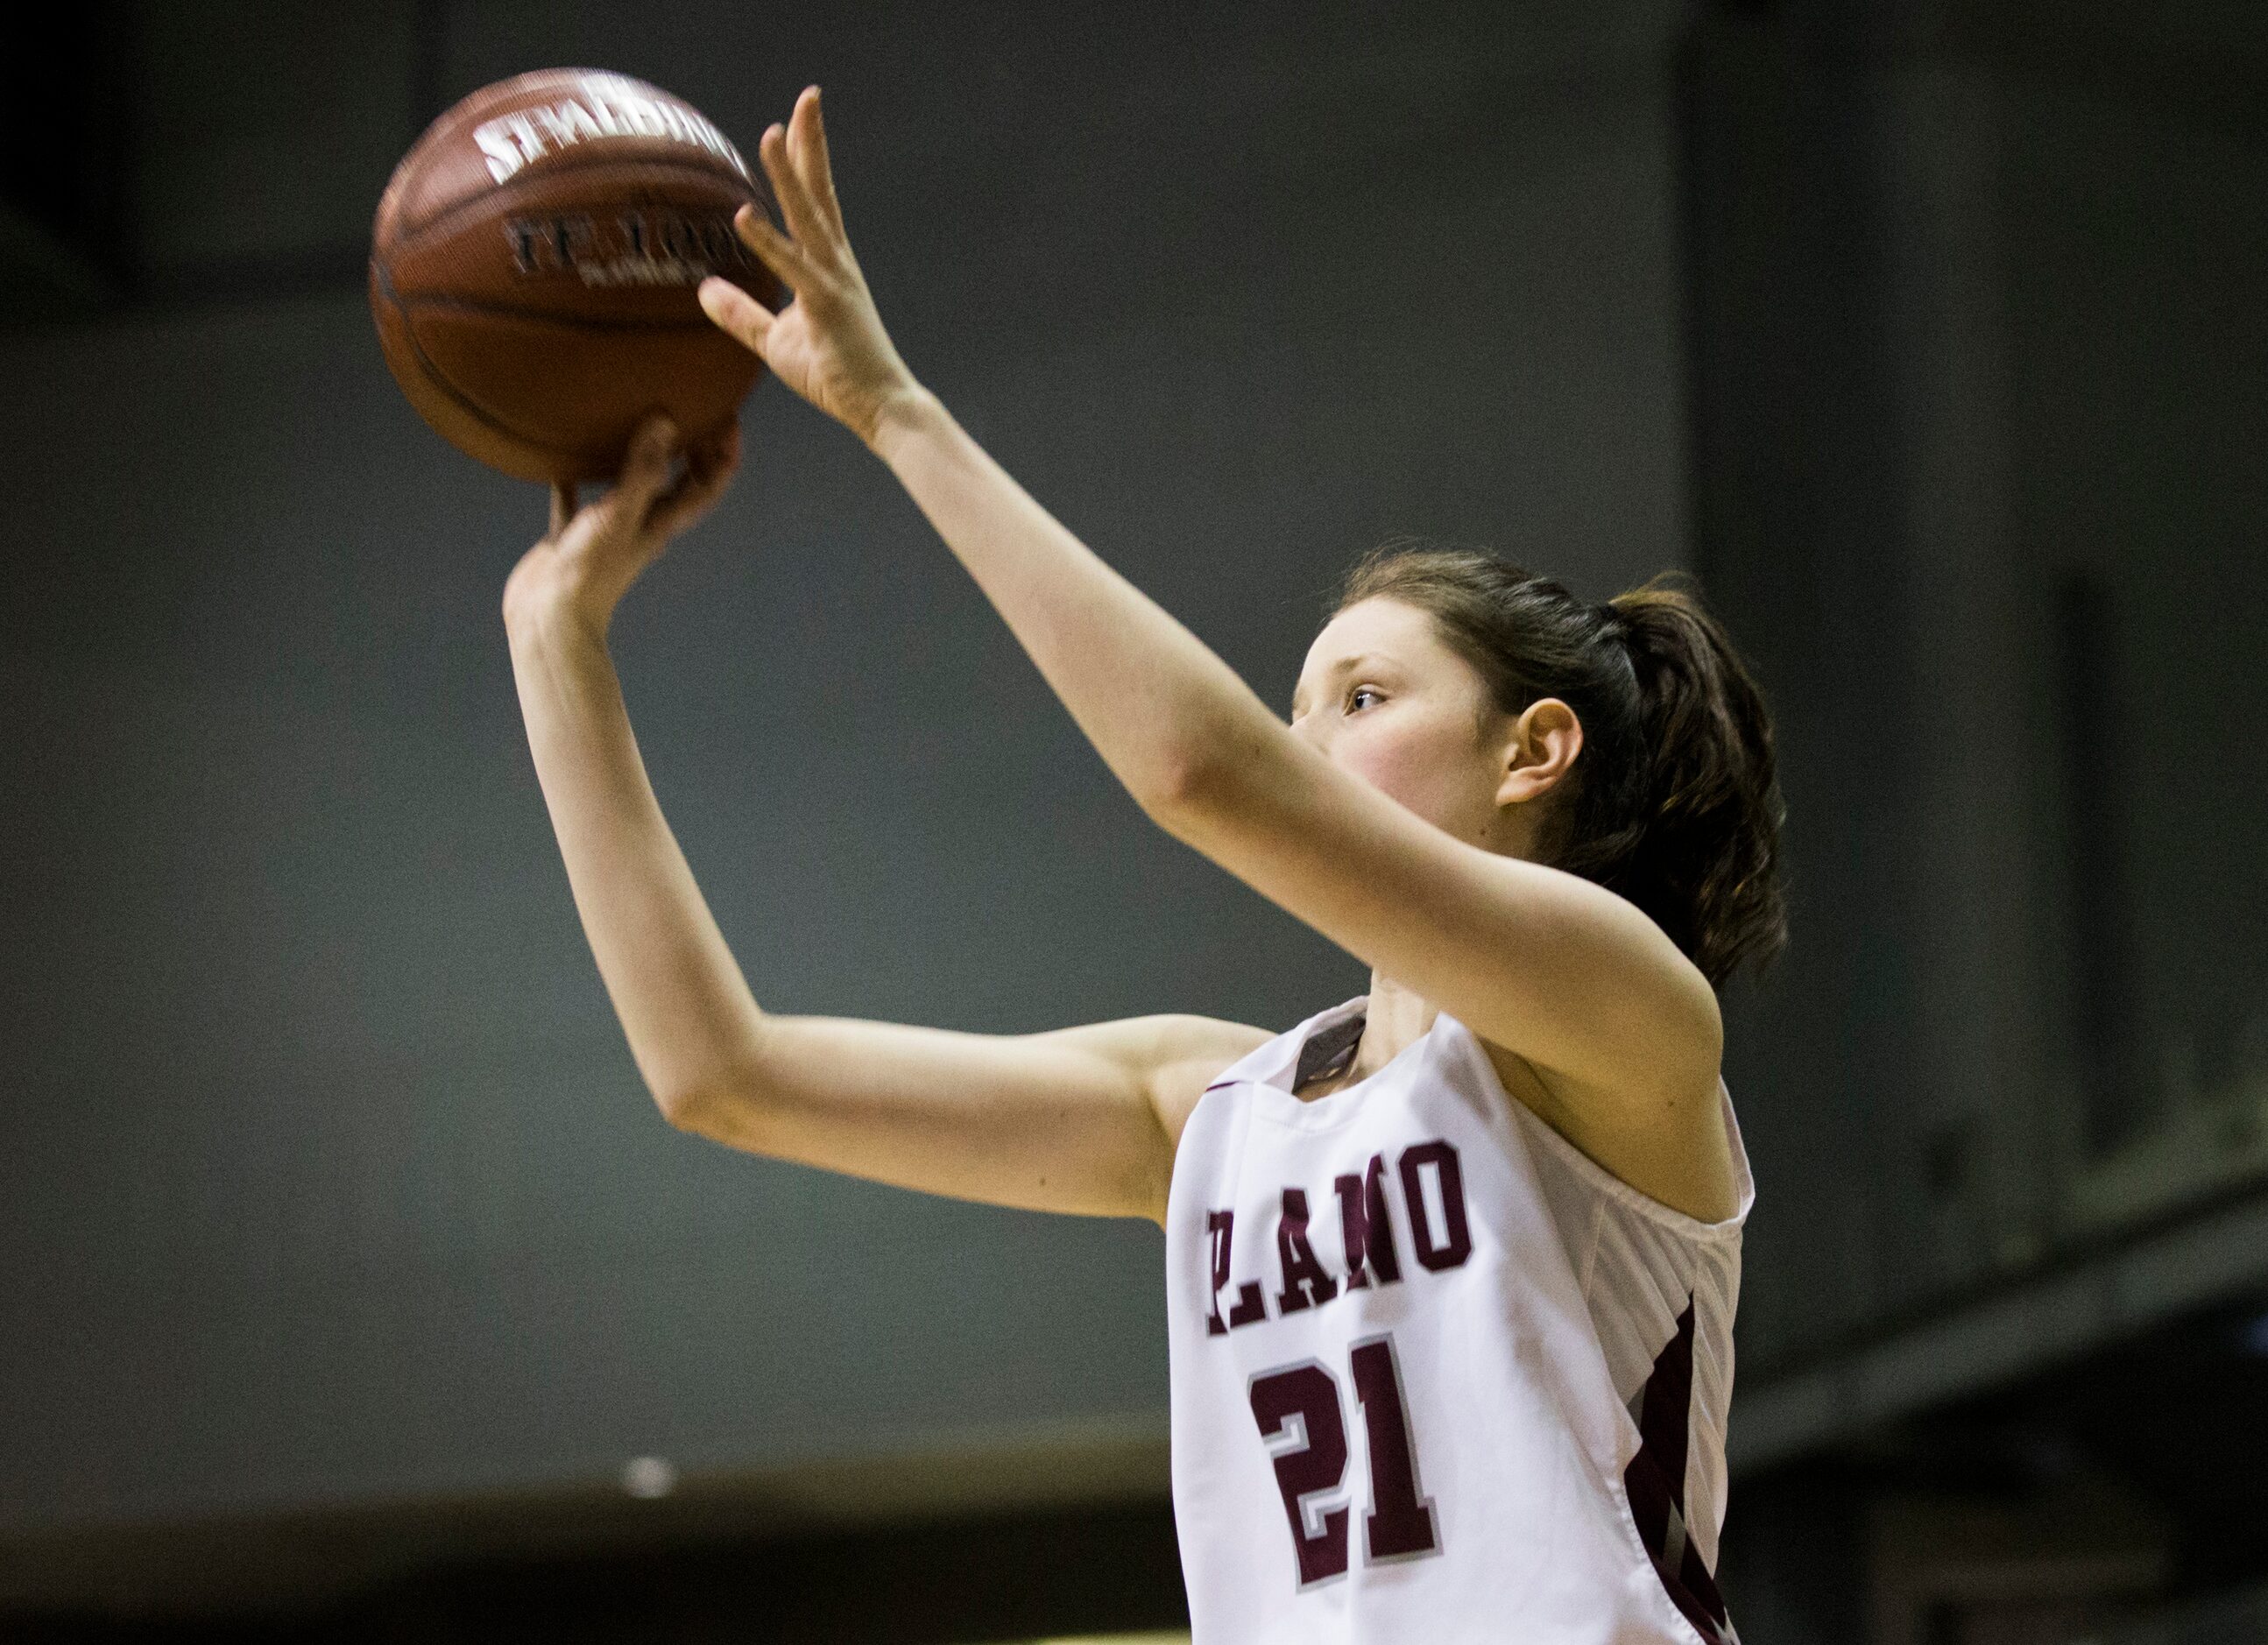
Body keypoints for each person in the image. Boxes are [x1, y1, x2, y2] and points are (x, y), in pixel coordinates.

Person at [501, 85, 1784, 1645]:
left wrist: (898, 412)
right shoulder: (1214, 1107)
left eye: (1362, 699)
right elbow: (723, 1072)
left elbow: (1198, 769)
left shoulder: (1628, 1024)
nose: (1300, 737)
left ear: (1532, 750)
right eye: (1295, 702)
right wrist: (553, 642)